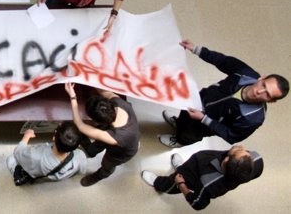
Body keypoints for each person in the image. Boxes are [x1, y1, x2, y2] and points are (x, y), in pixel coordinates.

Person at [159, 40, 289, 148]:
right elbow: (224, 61)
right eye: (263, 85)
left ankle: (179, 141)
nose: (259, 92)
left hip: (205, 125)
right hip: (199, 100)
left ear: (271, 101)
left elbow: (231, 136)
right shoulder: (245, 73)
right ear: (261, 78)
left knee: (189, 134)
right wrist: (197, 50)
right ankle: (179, 123)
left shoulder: (252, 119)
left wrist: (204, 119)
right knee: (184, 115)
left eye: (267, 94)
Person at [140, 144, 263, 210]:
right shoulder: (256, 160)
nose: (242, 147)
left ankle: (158, 183)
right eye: (245, 152)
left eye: (239, 150)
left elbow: (197, 204)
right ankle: (182, 166)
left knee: (172, 182)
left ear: (226, 161)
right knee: (187, 166)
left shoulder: (208, 183)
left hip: (190, 177)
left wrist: (181, 184)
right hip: (195, 165)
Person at [65, 83, 140, 187]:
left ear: (96, 120)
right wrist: (86, 79)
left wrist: (73, 97)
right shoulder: (119, 103)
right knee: (98, 143)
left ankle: (99, 175)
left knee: (108, 165)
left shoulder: (115, 136)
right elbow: (104, 91)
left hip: (121, 153)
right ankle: (91, 151)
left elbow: (79, 125)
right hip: (115, 133)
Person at [5, 121, 87, 184]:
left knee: (11, 159)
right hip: (52, 176)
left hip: (38, 168)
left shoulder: (35, 156)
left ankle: (15, 171)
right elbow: (81, 170)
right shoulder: (80, 156)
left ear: (54, 137)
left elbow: (18, 151)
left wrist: (26, 136)